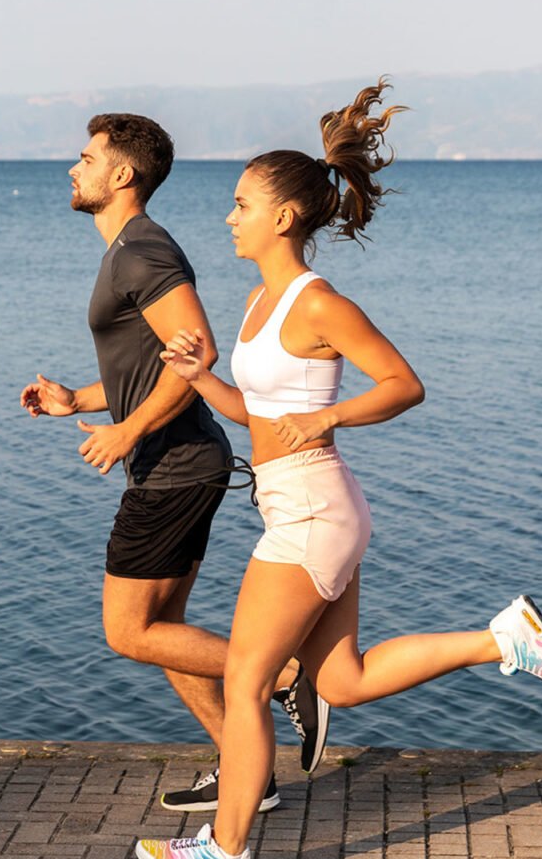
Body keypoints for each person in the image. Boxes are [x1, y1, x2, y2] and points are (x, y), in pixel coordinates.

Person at [132, 80, 542, 859]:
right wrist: (203, 380)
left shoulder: (318, 303)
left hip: (311, 512)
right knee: (341, 681)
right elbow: (263, 417)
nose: (227, 216)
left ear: (281, 217)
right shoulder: (257, 303)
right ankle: (506, 638)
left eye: (239, 204)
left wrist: (332, 418)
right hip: (310, 507)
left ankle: (225, 855)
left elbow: (403, 384)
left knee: (244, 683)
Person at [21, 114, 328, 815]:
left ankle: (284, 675)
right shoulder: (126, 250)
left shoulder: (143, 251)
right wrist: (80, 400)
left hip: (176, 470)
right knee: (168, 632)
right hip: (180, 465)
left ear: (122, 174)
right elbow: (153, 367)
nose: (74, 168)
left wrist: (125, 431)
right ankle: (245, 767)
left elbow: (199, 355)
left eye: (86, 157)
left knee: (128, 631)